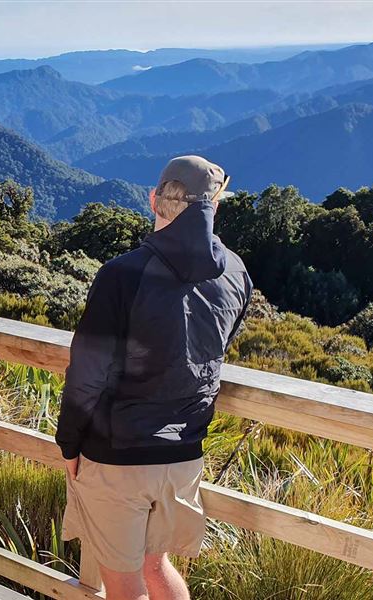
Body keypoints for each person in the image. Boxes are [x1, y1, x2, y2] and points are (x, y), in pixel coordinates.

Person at [55, 156, 253, 600]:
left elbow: (87, 373)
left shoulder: (121, 274)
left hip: (117, 454)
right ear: (215, 207)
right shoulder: (237, 273)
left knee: (123, 584)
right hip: (184, 453)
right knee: (156, 565)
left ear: (153, 199)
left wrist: (69, 442)